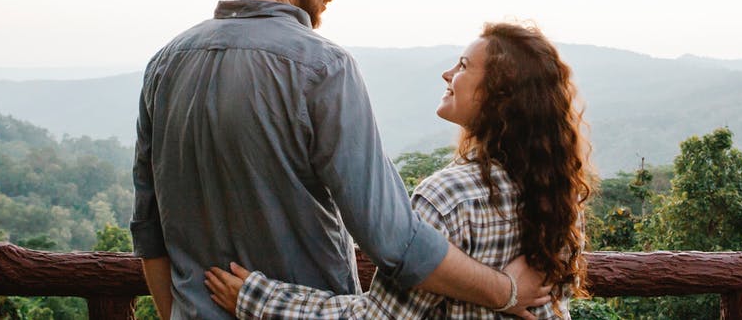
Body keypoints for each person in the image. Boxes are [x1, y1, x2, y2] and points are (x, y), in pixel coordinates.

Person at [132, 0, 550, 320]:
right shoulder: (324, 68)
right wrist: (504, 291)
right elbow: (396, 240)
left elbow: (149, 233)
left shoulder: (164, 64)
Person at [205, 21, 593, 319]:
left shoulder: (448, 199)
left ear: (499, 94)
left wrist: (256, 298)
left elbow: (378, 317)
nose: (447, 74)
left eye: (462, 65)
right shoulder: (560, 192)